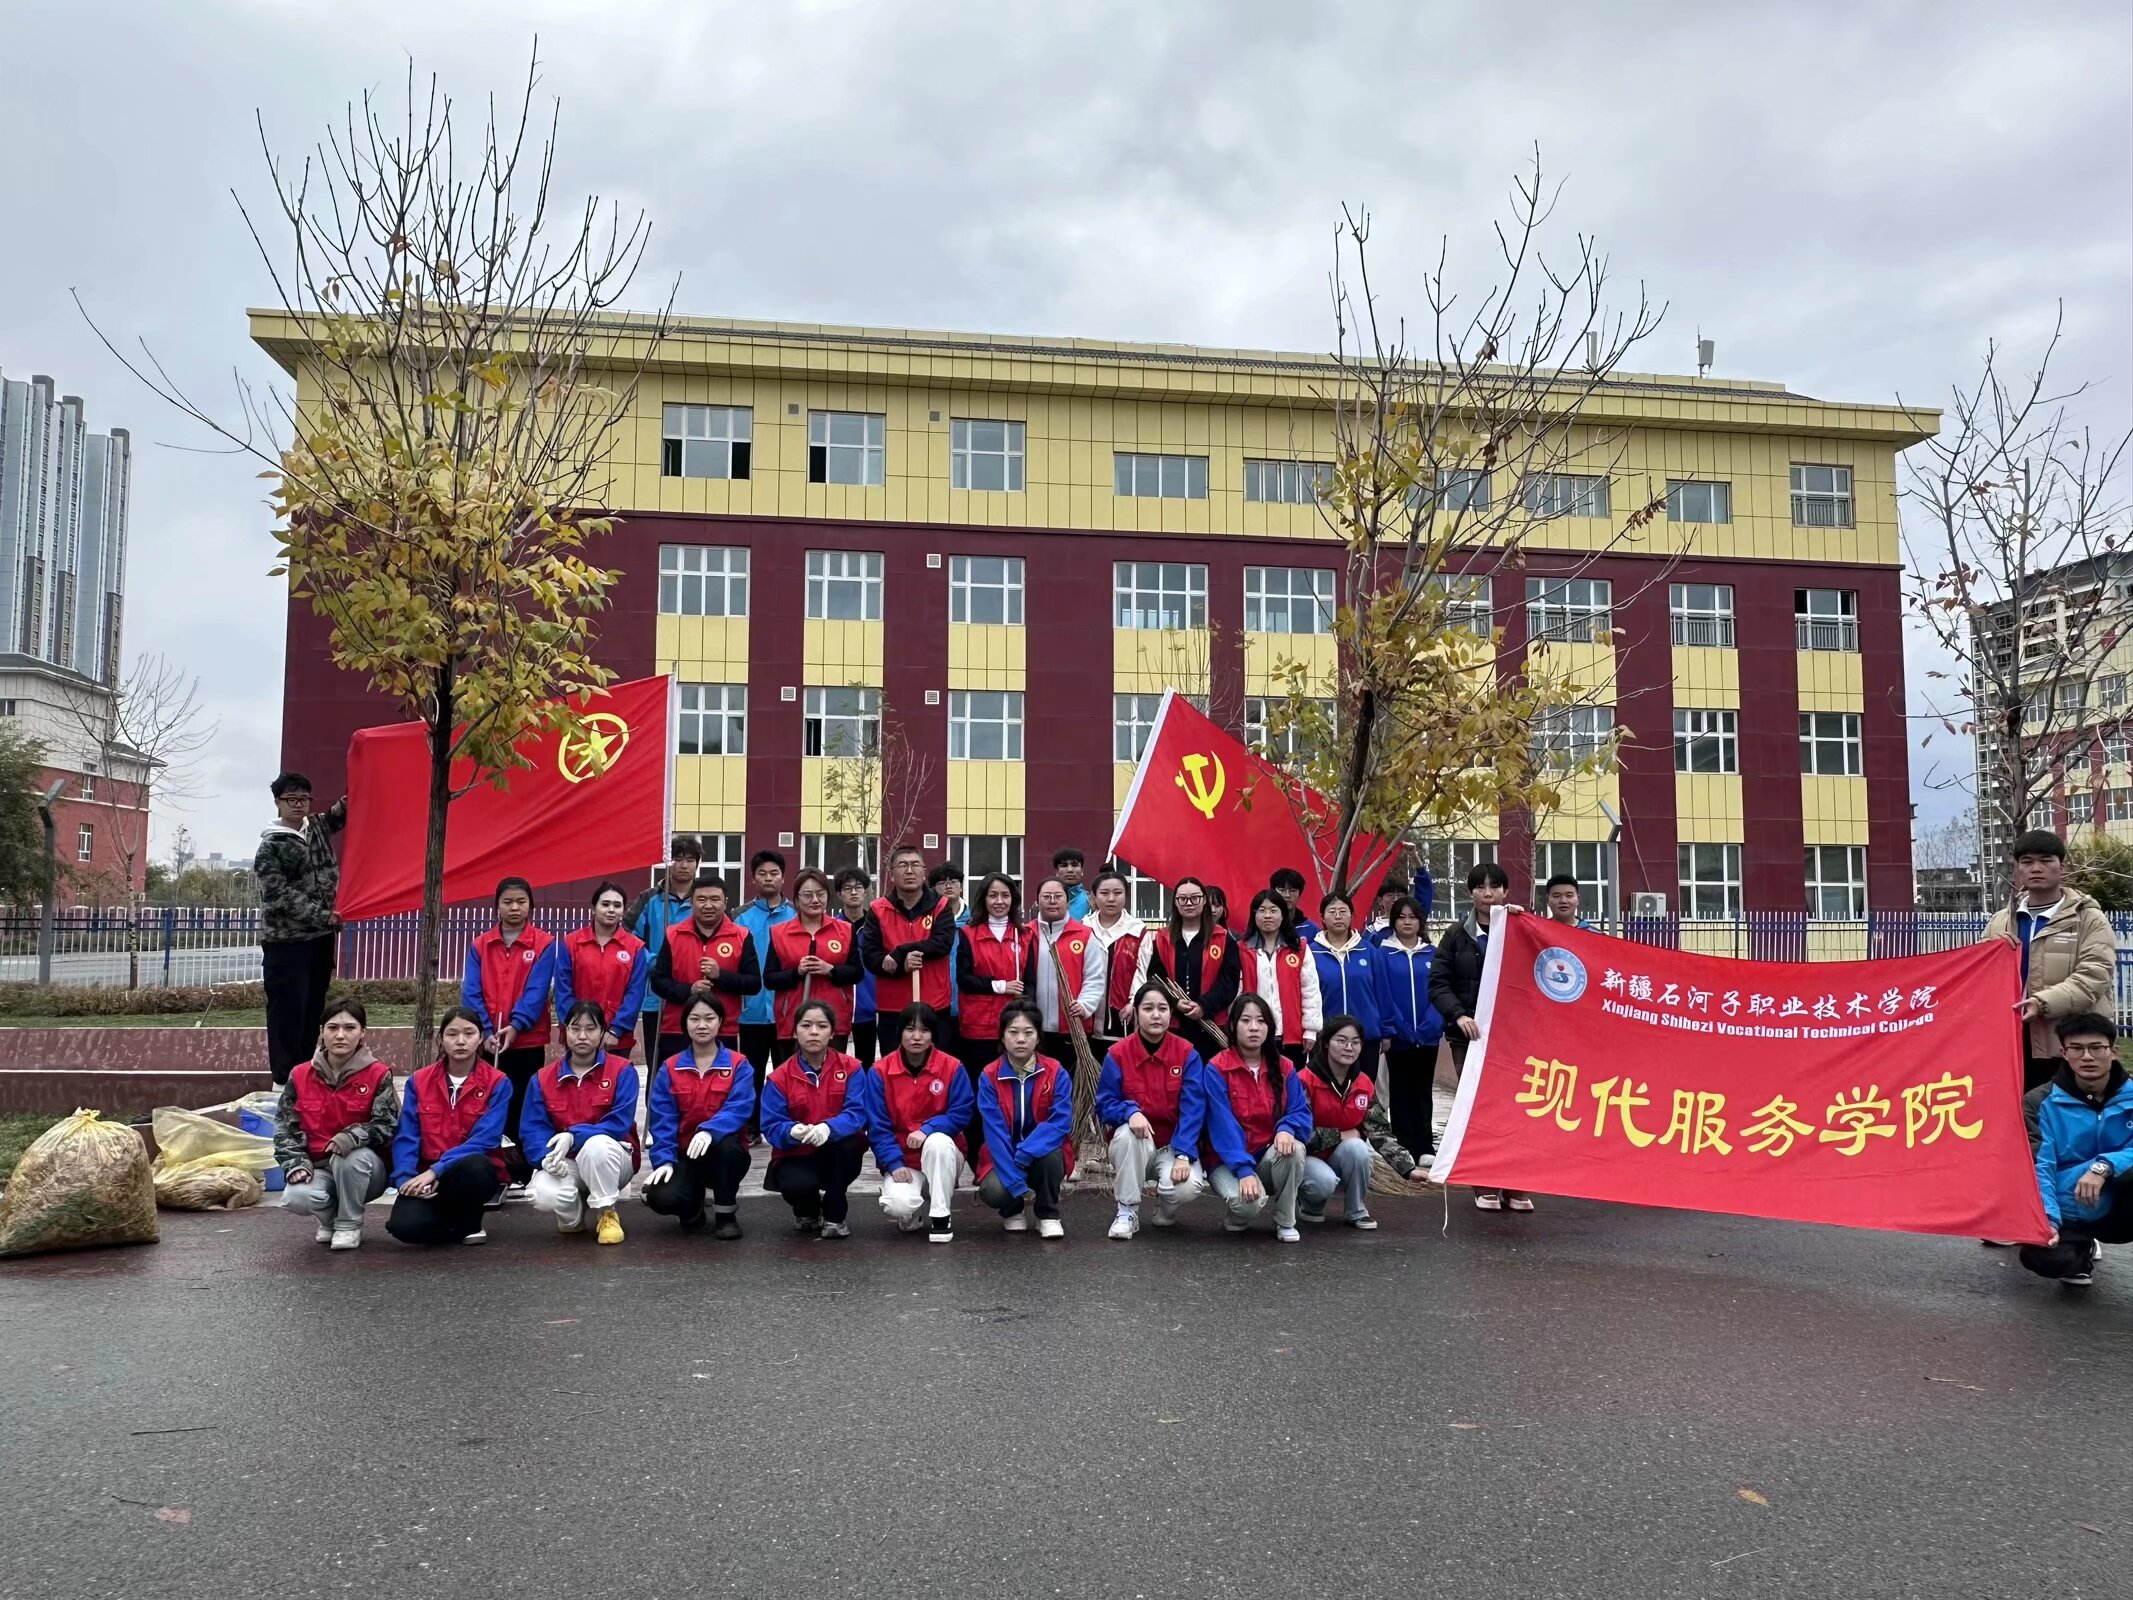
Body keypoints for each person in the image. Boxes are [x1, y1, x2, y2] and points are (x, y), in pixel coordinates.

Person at [1984, 830, 2118, 1092]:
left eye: (2046, 860)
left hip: (2070, 1041)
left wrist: (2042, 1003)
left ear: (2062, 867)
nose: (2036, 868)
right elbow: (1977, 975)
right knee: (2021, 1110)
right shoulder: (2001, 921)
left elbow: (2094, 976)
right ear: (2017, 869)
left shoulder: (2088, 919)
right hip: (2011, 1041)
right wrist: (1988, 950)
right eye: (2027, 862)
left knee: (2068, 1110)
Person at [1431, 862, 1529, 1211]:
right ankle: (1484, 1183)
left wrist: (1523, 923)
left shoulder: (1521, 929)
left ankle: (1516, 1183)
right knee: (1478, 1108)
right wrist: (1459, 1015)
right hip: (1469, 1039)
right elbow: (1438, 983)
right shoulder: (1457, 935)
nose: (1488, 894)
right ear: (1470, 893)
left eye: (1495, 887)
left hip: (1514, 1039)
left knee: (1516, 1109)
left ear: (1506, 891)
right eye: (1480, 887)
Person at [274, 999, 399, 1250]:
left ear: (362, 1033)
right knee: (295, 1197)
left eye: (350, 1028)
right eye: (332, 1028)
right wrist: (295, 1162)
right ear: (322, 1031)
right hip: (318, 1167)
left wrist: (351, 1137)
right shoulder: (299, 1075)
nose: (340, 1035)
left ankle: (349, 1225)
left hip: (365, 1170)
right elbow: (285, 1128)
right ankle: (329, 1220)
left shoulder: (378, 1074)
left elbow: (387, 1124)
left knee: (349, 1156)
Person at [2021, 1013, 2133, 1286]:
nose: (2087, 1057)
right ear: (2063, 1053)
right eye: (2077, 1049)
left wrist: (2104, 1166)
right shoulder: (2038, 1101)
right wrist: (2048, 1221)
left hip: (2121, 1204)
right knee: (2045, 1257)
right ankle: (2079, 1249)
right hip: (2068, 1206)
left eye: (2096, 1048)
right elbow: (2040, 1166)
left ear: (2113, 1051)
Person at [460, 875, 558, 1182]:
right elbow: (471, 991)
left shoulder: (544, 944)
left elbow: (537, 991)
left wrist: (516, 1025)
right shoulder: (480, 945)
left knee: (523, 1102)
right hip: (488, 1040)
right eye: (508, 902)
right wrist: (486, 1031)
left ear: (530, 905)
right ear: (497, 906)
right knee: (488, 1101)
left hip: (527, 1040)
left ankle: (522, 1168)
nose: (514, 908)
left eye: (521, 901)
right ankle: (492, 1165)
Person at [386, 1006, 510, 1247]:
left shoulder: (498, 1082)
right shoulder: (419, 1081)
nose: (460, 1041)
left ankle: (469, 1219)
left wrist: (438, 1170)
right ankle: (454, 1224)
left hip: (467, 1172)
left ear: (480, 1038)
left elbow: (485, 1139)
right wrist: (406, 1180)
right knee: (404, 1228)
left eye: (469, 1033)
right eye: (452, 1034)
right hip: (425, 1174)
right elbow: (407, 1136)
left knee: (476, 1167)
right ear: (441, 1038)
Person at [521, 1000, 641, 1245]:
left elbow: (618, 1123)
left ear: (602, 1032)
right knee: (539, 1192)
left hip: (612, 1159)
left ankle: (606, 1212)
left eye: (590, 1029)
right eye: (575, 1029)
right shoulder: (542, 1078)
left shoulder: (622, 1070)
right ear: (565, 1031)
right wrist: (545, 1158)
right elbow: (533, 1128)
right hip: (569, 1162)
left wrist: (573, 1136)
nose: (582, 1036)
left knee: (597, 1145)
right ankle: (571, 1216)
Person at [1097, 982, 1210, 1240]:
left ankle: (1167, 1206)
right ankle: (1126, 1211)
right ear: (1136, 1012)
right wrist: (1129, 1112)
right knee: (1129, 1134)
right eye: (1148, 1008)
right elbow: (1104, 1104)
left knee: (1187, 1187)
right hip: (1136, 1146)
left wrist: (1183, 1154)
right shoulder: (1118, 1054)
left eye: (1162, 1008)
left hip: (1173, 1145)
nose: (1156, 1015)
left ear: (1171, 1013)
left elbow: (1194, 1108)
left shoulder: (1187, 1053)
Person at [256, 771, 347, 1086]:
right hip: (286, 942)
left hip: (319, 940)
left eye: (304, 798)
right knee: (287, 1013)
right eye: (291, 799)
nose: (298, 804)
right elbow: (278, 897)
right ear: (278, 802)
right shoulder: (271, 846)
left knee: (312, 1009)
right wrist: (322, 915)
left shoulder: (318, 827)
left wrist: (369, 773)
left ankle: (307, 1072)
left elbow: (351, 808)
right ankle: (283, 1081)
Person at [1298, 1015, 1431, 1228]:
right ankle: (1310, 1203)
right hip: (1308, 1157)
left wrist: (1408, 1169)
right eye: (1341, 1040)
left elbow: (1380, 1132)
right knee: (1323, 1182)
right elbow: (1300, 1136)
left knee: (1358, 1148)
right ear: (1326, 1043)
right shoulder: (1304, 1080)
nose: (1349, 1047)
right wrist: (1341, 1135)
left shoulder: (1363, 1083)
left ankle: (1356, 1211)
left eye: (1355, 1042)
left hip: (1339, 1156)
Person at [1199, 993, 1311, 1243]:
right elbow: (1222, 1125)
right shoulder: (1217, 1068)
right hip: (1227, 1161)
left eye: (1261, 1021)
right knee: (1247, 1204)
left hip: (1267, 1157)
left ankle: (1285, 1220)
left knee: (1294, 1149)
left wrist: (1287, 1128)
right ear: (1232, 1026)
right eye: (1246, 1020)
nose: (1254, 1027)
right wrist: (1243, 1169)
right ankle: (1238, 1216)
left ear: (1269, 1027)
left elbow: (1300, 1112)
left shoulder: (1285, 1067)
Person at [642, 993, 754, 1239]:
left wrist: (710, 1131)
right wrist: (664, 1161)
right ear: (685, 1023)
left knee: (726, 1148)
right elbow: (662, 1121)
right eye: (694, 1019)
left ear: (720, 1021)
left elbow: (740, 1107)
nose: (702, 1025)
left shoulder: (738, 1064)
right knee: (662, 1197)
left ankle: (726, 1214)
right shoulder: (670, 1067)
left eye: (709, 1018)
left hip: (725, 1152)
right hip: (685, 1155)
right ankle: (692, 1208)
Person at [862, 1002, 972, 1243]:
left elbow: (962, 1112)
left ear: (933, 1035)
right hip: (903, 1158)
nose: (917, 1036)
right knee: (898, 1205)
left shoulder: (952, 1067)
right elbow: (877, 1126)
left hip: (944, 1153)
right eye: (910, 1029)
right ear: (900, 1032)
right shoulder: (880, 1072)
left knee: (938, 1142)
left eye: (925, 1030)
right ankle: (914, 1207)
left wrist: (928, 1129)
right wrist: (893, 1163)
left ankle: (941, 1215)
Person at [759, 999, 870, 1238]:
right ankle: (807, 1210)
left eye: (822, 1026)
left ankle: (835, 1214)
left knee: (850, 1145)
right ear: (795, 1032)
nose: (814, 1032)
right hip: (796, 1153)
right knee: (796, 1185)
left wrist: (829, 1128)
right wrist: (791, 1130)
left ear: (832, 1033)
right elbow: (770, 1124)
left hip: (837, 1149)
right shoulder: (779, 1078)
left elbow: (857, 1112)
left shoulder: (852, 1068)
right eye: (806, 1025)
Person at [975, 1002, 1075, 1237]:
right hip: (1003, 1153)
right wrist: (1013, 1181)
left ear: (1038, 1037)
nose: (1021, 1039)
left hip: (1040, 1153)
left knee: (1053, 1155)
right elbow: (994, 1131)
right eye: (1013, 1032)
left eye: (1028, 1032)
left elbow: (1060, 1121)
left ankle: (1047, 1214)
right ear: (1002, 1036)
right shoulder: (989, 1075)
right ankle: (1013, 1210)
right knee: (994, 1190)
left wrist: (1027, 1151)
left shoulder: (1055, 1071)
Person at [648, 871, 761, 1063]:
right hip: (677, 1028)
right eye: (701, 899)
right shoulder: (673, 935)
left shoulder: (741, 936)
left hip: (724, 1029)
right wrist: (689, 990)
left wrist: (720, 976)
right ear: (691, 902)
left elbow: (754, 983)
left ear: (725, 902)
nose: (708, 905)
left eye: (715, 899)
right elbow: (658, 982)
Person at [858, 845, 959, 1059]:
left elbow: (942, 944)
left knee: (937, 1069)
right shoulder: (878, 909)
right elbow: (870, 956)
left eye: (915, 865)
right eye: (903, 865)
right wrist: (900, 966)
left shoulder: (941, 906)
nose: (910, 871)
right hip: (892, 1008)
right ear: (891, 874)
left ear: (924, 871)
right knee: (894, 1069)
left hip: (935, 1006)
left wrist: (900, 951)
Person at [1136, 876, 1242, 1060]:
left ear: (1204, 901)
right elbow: (1155, 978)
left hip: (1212, 1024)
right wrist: (1175, 1003)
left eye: (1195, 898)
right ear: (1176, 903)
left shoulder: (1222, 938)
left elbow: (1229, 982)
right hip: (1173, 1024)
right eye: (1182, 899)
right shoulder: (1163, 938)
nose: (1189, 903)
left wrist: (1204, 1005)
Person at [763, 867, 862, 1059]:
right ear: (797, 899)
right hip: (792, 1021)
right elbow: (769, 979)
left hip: (834, 1020)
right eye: (808, 895)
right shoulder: (779, 933)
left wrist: (831, 970)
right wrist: (797, 972)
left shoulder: (845, 930)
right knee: (792, 1074)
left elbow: (857, 972)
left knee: (832, 1073)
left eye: (820, 894)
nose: (815, 900)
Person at [1375, 895, 1445, 1160]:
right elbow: (1383, 994)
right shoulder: (1383, 954)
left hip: (1428, 1037)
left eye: (1412, 917)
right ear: (1393, 921)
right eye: (1401, 917)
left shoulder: (1432, 953)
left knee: (1423, 1090)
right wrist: (1399, 1027)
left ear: (1420, 922)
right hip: (1399, 1036)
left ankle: (1424, 1146)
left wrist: (1432, 1024)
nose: (1407, 922)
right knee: (1400, 1092)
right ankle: (1404, 1145)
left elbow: (1440, 990)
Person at [554, 882, 652, 1060]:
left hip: (616, 1039)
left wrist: (616, 1029)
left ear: (623, 911)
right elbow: (563, 989)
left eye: (617, 905)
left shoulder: (635, 947)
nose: (611, 910)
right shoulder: (571, 943)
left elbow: (635, 993)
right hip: (578, 1036)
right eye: (605, 904)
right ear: (594, 908)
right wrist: (579, 1027)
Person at [628, 835, 702, 1057]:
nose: (683, 865)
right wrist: (654, 963)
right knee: (657, 1061)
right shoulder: (649, 899)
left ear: (697, 864)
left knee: (694, 1059)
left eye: (690, 859)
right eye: (678, 859)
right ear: (668, 862)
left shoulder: (705, 899)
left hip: (696, 991)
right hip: (656, 995)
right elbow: (630, 939)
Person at [955, 871, 1034, 1069]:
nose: (999, 901)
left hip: (1014, 1026)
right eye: (993, 895)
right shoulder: (968, 933)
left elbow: (1030, 982)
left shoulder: (1025, 935)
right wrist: (1000, 986)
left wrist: (1025, 1010)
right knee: (979, 1078)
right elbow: (963, 979)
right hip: (978, 1025)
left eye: (1005, 895)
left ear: (1013, 899)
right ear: (984, 899)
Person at [1026, 876, 1105, 1070]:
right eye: (1046, 896)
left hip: (1072, 1028)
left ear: (1067, 901)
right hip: (1033, 1028)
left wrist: (1084, 1005)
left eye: (1058, 896)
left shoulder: (1084, 935)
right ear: (1037, 901)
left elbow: (1095, 978)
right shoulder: (1026, 934)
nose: (1052, 901)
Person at [1241, 888, 1322, 1067]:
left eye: (1273, 910)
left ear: (1283, 915)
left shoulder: (1299, 948)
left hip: (1292, 1035)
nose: (1267, 915)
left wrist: (1310, 1030)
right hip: (1253, 1033)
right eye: (1261, 910)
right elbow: (1237, 993)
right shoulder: (1243, 949)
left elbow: (1310, 991)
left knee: (1291, 1081)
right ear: (1254, 915)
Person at [735, 848, 798, 1072]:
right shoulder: (738, 917)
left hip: (788, 1014)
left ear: (783, 877)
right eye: (762, 873)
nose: (768, 878)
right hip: (750, 1014)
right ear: (753, 879)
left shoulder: (798, 915)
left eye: (774, 873)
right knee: (750, 1078)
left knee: (788, 1078)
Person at [1308, 891, 1383, 1054]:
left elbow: (1382, 992)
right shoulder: (1311, 953)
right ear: (1322, 918)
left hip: (1366, 1036)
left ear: (1351, 916)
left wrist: (1387, 1029)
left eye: (1343, 911)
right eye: (1332, 911)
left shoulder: (1368, 950)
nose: (1338, 916)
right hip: (1326, 1036)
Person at [1084, 867, 1147, 1042]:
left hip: (1124, 1016)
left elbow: (1142, 973)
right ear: (1094, 896)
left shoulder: (1137, 930)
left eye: (1117, 893)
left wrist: (1133, 1003)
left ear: (1126, 895)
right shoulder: (1083, 928)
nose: (1111, 899)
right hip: (1086, 1017)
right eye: (1104, 893)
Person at [834, 867, 881, 1063]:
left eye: (858, 887)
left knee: (866, 1065)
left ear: (865, 891)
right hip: (837, 1010)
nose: (853, 892)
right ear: (839, 894)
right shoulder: (832, 927)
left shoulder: (876, 927)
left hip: (869, 1010)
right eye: (847, 888)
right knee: (835, 1065)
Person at [1269, 867, 1319, 940]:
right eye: (1282, 890)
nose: (1287, 895)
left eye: (1293, 890)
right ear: (1273, 892)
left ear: (1299, 893)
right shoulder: (1264, 926)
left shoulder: (1312, 930)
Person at [1053, 847, 1091, 919]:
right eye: (1064, 865)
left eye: (1075, 865)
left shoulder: (1092, 902)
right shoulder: (1045, 901)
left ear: (1082, 870)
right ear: (1057, 872)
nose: (1070, 870)